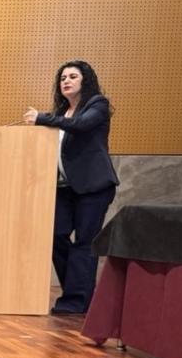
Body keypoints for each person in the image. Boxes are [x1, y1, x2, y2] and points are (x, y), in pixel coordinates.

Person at [23, 60, 120, 315]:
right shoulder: (61, 112)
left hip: (94, 187)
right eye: (63, 77)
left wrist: (43, 118)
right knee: (56, 236)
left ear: (84, 80)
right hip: (64, 189)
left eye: (73, 76)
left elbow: (83, 125)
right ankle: (81, 294)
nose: (66, 81)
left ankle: (77, 301)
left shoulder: (97, 104)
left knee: (84, 243)